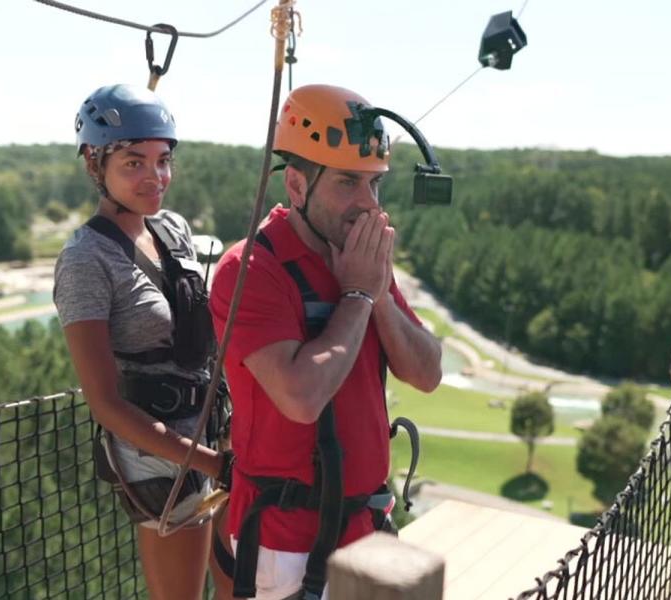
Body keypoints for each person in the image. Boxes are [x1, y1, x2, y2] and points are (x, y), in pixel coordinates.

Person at [208, 84, 443, 600]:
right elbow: (300, 397)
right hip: (285, 547)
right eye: (347, 183)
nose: (367, 205)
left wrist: (376, 293)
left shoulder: (359, 257)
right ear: (296, 185)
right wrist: (358, 295)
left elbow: (427, 373)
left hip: (364, 530)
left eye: (375, 186)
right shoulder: (249, 269)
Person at [53, 83, 232, 600]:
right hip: (161, 456)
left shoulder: (172, 229)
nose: (154, 177)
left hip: (214, 432)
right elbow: (106, 404)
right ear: (96, 163)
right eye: (134, 163)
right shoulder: (86, 260)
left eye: (162, 160)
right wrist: (212, 463)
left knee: (243, 585)